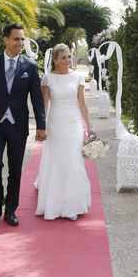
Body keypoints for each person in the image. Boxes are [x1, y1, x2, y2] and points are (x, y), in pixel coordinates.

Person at [0, 23, 46, 226]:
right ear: (5, 39)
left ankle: (11, 209)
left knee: (15, 169)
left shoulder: (29, 67)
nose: (20, 43)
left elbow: (37, 99)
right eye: (16, 39)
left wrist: (41, 125)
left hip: (18, 125)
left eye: (22, 39)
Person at [34, 44, 94, 221]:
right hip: (55, 124)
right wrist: (42, 126)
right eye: (63, 58)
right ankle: (54, 203)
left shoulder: (78, 78)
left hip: (74, 125)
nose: (67, 61)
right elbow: (44, 105)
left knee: (72, 161)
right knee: (57, 161)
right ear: (56, 60)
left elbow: (82, 104)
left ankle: (71, 205)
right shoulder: (48, 79)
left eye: (69, 57)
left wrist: (88, 126)